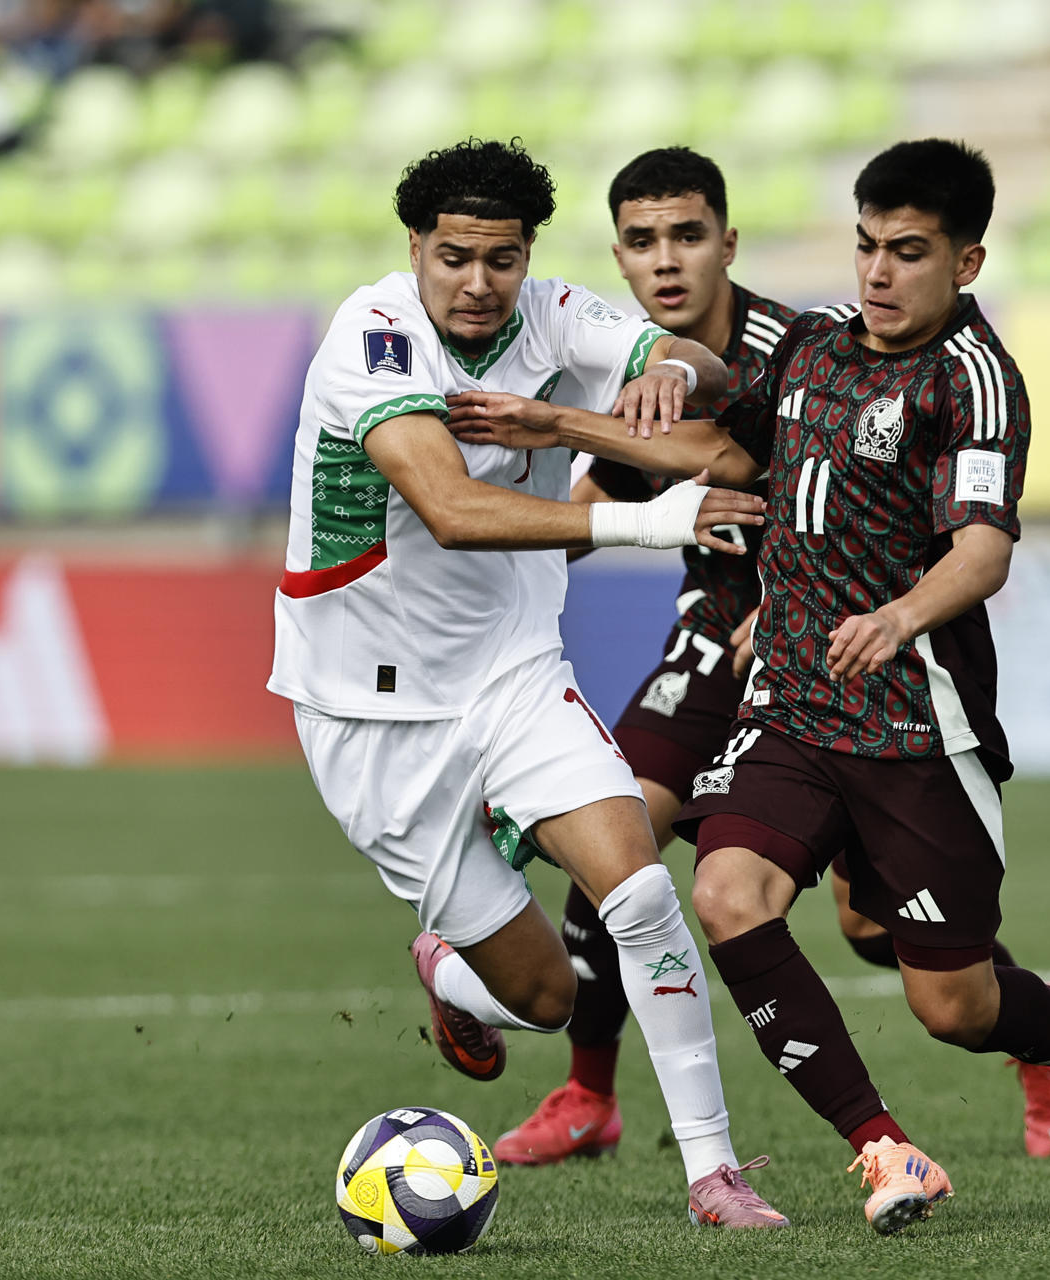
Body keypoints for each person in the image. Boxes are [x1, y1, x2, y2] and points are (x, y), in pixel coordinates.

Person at [447, 138, 1050, 1234]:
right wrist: (561, 425)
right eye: (867, 245)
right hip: (792, 702)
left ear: (965, 262)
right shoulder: (816, 346)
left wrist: (898, 614)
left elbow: (983, 548)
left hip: (917, 719)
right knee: (721, 893)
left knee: (945, 998)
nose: (877, 272)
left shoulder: (972, 377)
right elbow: (726, 456)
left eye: (906, 253)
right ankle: (883, 1147)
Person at [266, 138, 788, 1228]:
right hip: (369, 715)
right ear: (415, 248)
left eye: (499, 258)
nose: (476, 283)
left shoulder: (552, 314)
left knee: (640, 891)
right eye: (453, 256)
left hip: (510, 673)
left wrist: (663, 367)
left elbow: (712, 371)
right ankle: (450, 973)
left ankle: (712, 1172)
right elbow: (454, 513)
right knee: (545, 997)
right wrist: (652, 515)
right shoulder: (373, 340)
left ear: (527, 255)